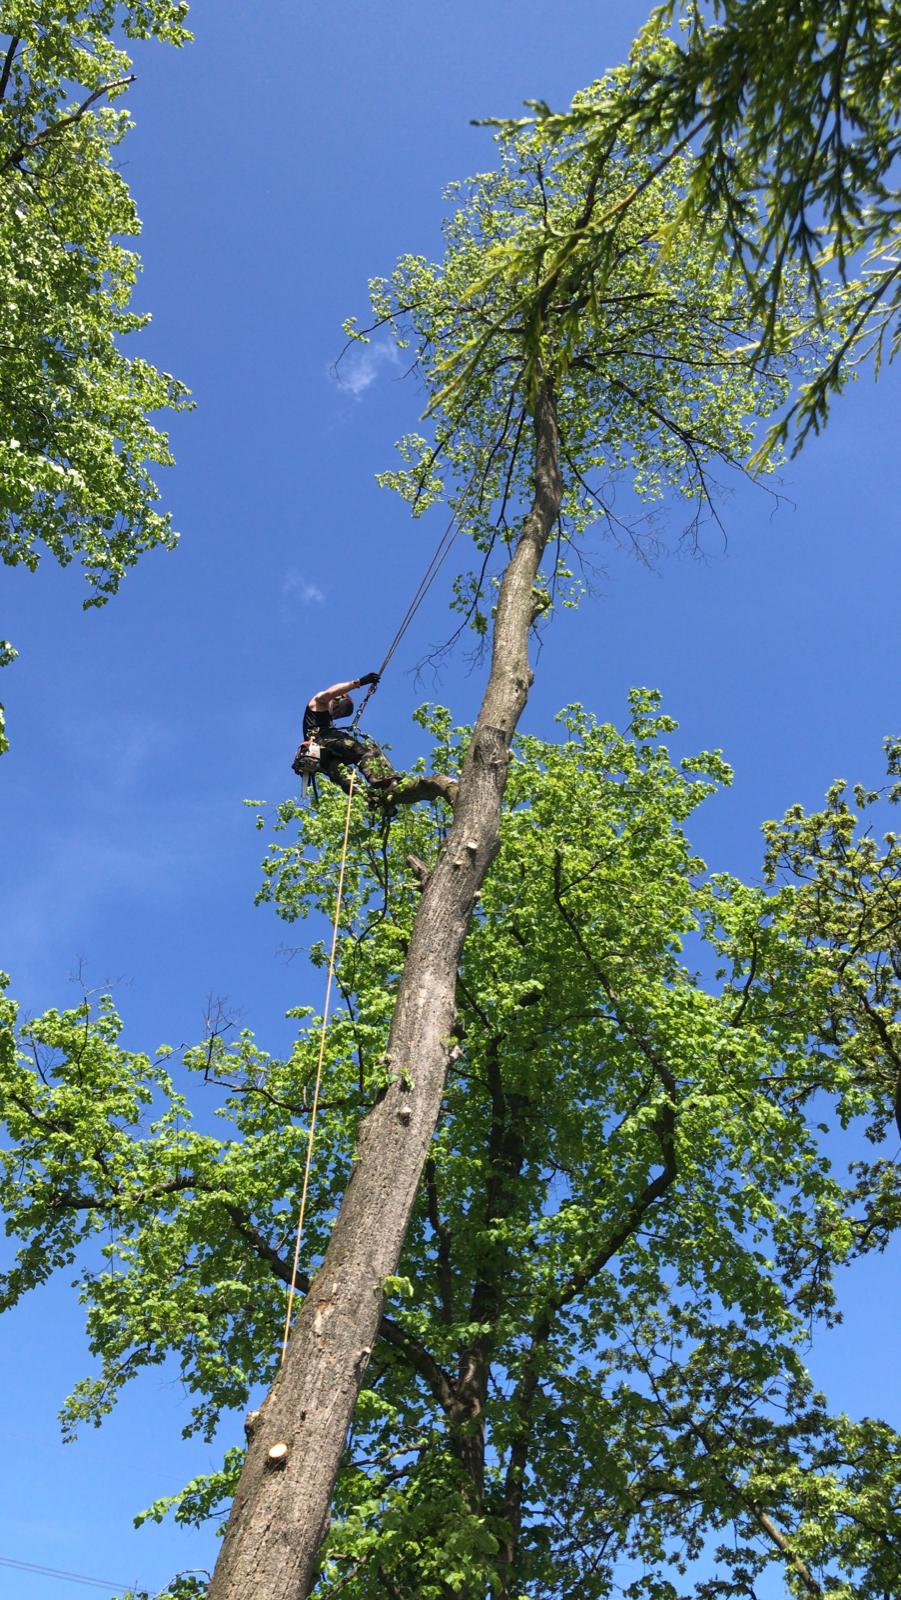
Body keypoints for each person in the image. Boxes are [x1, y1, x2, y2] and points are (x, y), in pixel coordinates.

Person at [293, 672, 395, 795]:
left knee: (343, 774)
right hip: (325, 740)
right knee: (366, 752)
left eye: (341, 714)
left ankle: (369, 799)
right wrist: (359, 682)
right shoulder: (320, 700)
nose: (337, 715)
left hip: (321, 755)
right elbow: (330, 693)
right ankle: (385, 779)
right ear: (338, 700)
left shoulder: (320, 717)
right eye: (339, 710)